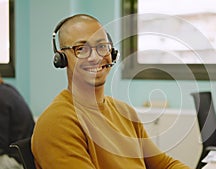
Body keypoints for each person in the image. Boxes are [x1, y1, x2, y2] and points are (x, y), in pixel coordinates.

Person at [31, 14, 190, 169]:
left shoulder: (124, 111)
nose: (95, 57)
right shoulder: (57, 123)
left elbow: (164, 164)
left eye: (102, 47)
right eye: (81, 49)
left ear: (112, 53)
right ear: (61, 58)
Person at [0, 74, 35, 169]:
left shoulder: (1, 98)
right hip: (27, 156)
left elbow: (1, 143)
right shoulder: (8, 90)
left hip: (17, 160)